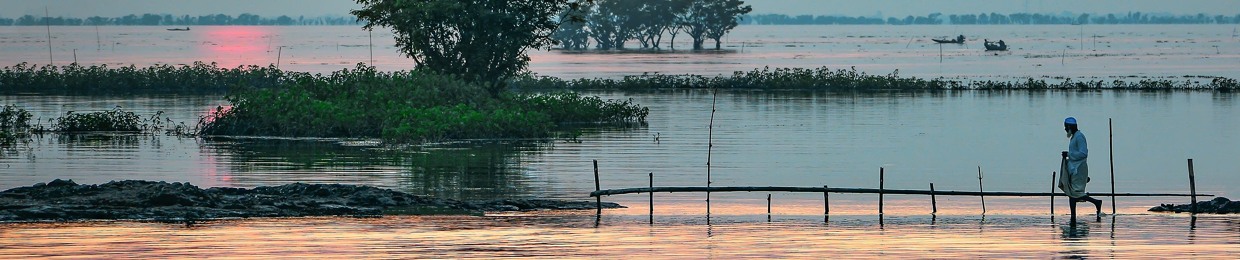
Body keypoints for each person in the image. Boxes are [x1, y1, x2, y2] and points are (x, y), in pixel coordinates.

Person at [1059, 117, 1103, 221]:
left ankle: (1096, 202)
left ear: (1069, 126)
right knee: (1071, 193)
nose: (1065, 129)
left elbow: (1083, 154)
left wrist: (1069, 154)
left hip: (1079, 169)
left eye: (1066, 127)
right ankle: (1073, 215)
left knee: (1075, 193)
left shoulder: (1079, 137)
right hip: (1074, 168)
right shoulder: (1074, 137)